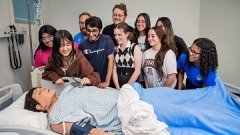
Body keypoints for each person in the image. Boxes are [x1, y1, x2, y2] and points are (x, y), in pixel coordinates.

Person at [24, 76, 240, 135]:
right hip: (126, 112)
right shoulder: (55, 120)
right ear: (40, 107)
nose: (41, 89)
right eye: (37, 94)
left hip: (133, 95)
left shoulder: (67, 91)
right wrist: (100, 134)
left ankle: (218, 100)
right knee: (187, 114)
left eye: (39, 88)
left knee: (182, 98)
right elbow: (82, 130)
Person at [79, 16, 115, 88]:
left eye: (94, 31)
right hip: (90, 82)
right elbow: (82, 66)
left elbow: (111, 61)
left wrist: (107, 81)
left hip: (105, 82)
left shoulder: (107, 40)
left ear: (100, 30)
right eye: (89, 30)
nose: (91, 34)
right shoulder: (82, 45)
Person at [112, 22, 142, 89]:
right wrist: (117, 87)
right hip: (119, 84)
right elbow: (114, 70)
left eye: (119, 35)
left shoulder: (135, 47)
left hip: (132, 84)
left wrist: (127, 87)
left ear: (127, 34)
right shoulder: (115, 49)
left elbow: (137, 71)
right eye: (115, 35)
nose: (116, 37)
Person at [134, 13, 151, 87]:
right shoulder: (132, 36)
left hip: (148, 75)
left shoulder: (150, 37)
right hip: (135, 74)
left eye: (143, 21)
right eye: (138, 21)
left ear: (147, 23)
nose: (140, 23)